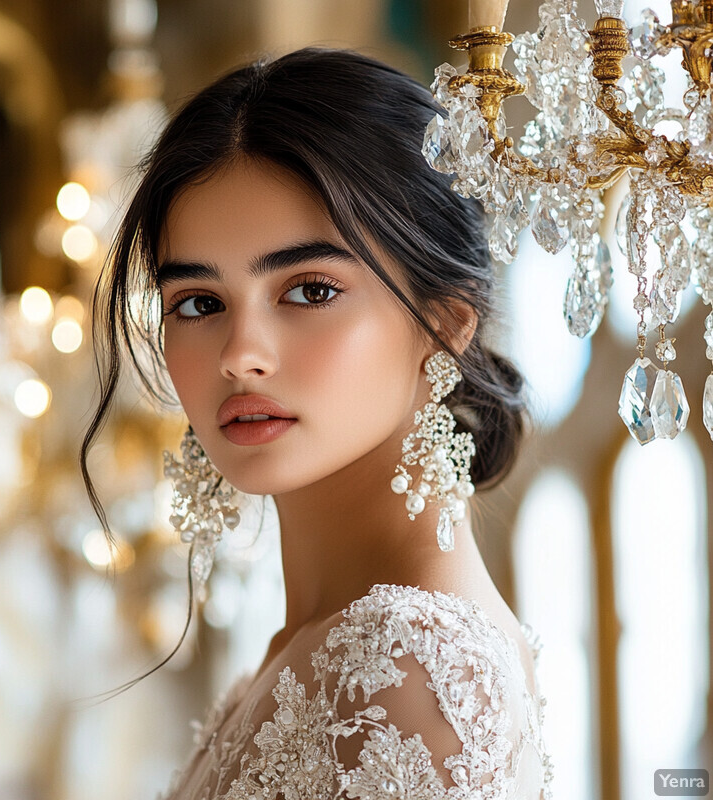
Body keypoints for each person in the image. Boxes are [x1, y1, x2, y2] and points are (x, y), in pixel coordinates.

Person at [82, 47, 555, 799]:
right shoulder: (307, 655)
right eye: (199, 303)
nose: (241, 356)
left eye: (308, 290)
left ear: (443, 323)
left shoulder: (412, 679)